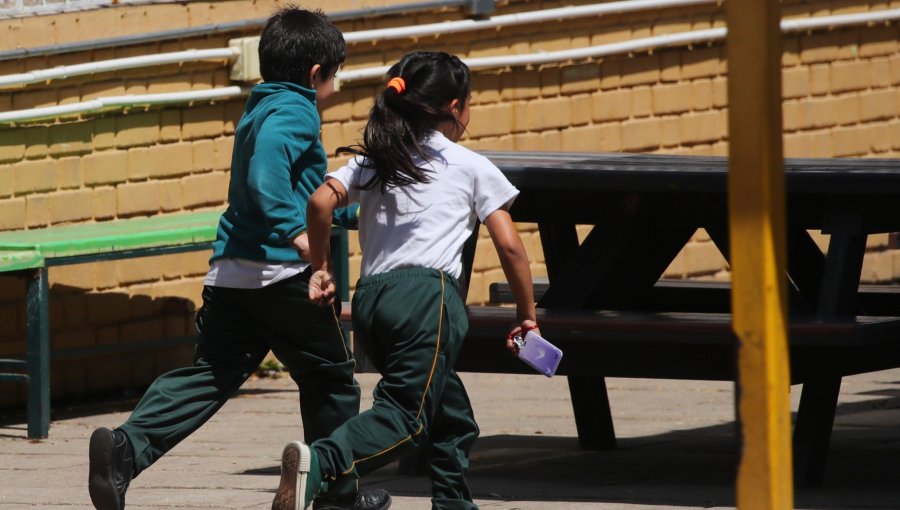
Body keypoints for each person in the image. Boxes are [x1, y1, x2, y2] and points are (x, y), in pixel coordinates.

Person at [87, 8, 391, 510]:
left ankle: (125, 448)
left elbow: (285, 186)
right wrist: (300, 238)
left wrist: (342, 217)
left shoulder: (259, 105)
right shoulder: (296, 110)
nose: (336, 89)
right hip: (281, 275)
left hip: (232, 273)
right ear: (316, 74)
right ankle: (338, 495)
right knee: (332, 378)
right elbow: (267, 180)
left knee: (209, 375)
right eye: (335, 77)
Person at [271, 51, 540, 510]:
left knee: (450, 414)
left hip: (374, 304)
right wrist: (527, 316)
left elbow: (318, 204)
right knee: (407, 418)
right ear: (455, 107)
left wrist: (322, 267)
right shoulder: (469, 165)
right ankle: (320, 463)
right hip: (427, 301)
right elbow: (511, 246)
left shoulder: (376, 161)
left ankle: (454, 503)